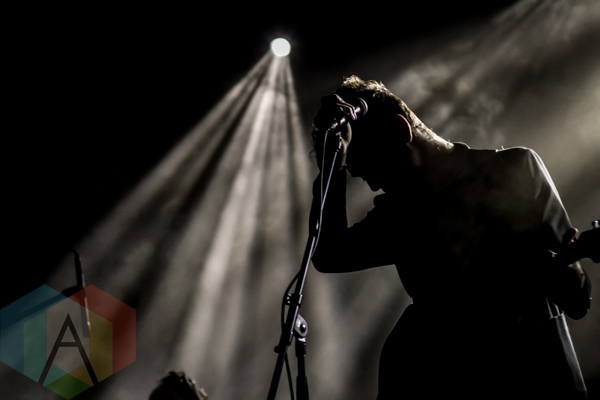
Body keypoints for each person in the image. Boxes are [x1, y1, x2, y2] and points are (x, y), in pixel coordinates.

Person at [309, 76, 591, 399]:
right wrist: (332, 168)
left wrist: (571, 272)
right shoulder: (399, 213)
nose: (373, 186)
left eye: (373, 167)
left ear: (400, 130)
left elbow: (578, 301)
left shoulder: (515, 169)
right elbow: (328, 254)